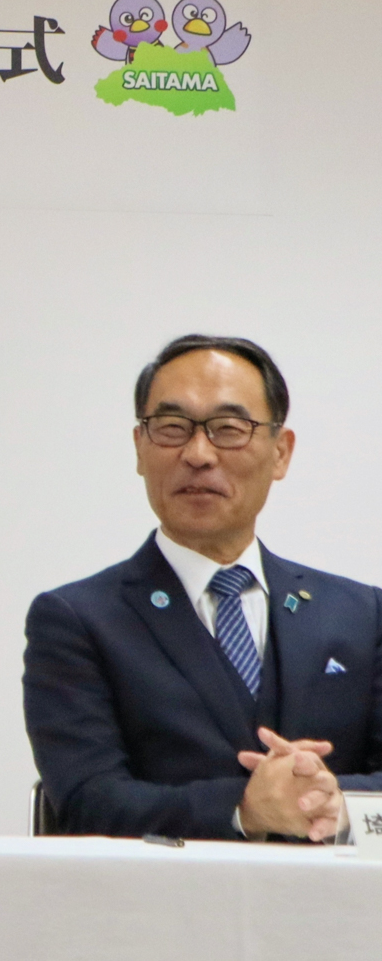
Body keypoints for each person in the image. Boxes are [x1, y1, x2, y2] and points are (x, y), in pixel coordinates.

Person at [24, 334, 382, 841]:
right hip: (162, 892)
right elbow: (88, 803)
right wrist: (244, 809)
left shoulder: (363, 614)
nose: (198, 454)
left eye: (228, 429)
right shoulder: (76, 620)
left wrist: (333, 802)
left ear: (281, 453)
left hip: (336, 891)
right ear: (140, 447)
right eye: (172, 428)